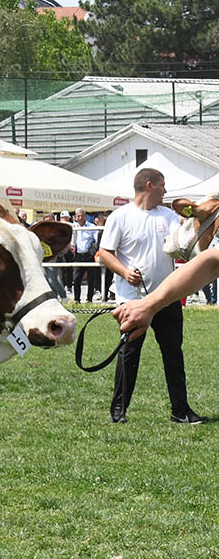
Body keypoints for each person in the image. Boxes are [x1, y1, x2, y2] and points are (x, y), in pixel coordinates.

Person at [97, 167, 204, 425]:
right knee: (129, 354)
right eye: (162, 185)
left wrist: (198, 217)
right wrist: (124, 271)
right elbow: (104, 253)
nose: (165, 190)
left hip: (166, 297)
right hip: (132, 300)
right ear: (149, 185)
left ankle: (180, 411)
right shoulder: (120, 216)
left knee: (173, 353)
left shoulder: (167, 215)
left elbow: (181, 241)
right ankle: (118, 411)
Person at [70, 208, 99, 304]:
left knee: (91, 278)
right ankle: (76, 299)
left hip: (89, 255)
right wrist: (72, 246)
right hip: (78, 255)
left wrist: (92, 251)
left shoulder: (92, 227)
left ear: (85, 216)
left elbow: (96, 240)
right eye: (78, 216)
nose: (80, 217)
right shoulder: (74, 227)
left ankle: (89, 299)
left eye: (82, 215)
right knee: (76, 278)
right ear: (75, 217)